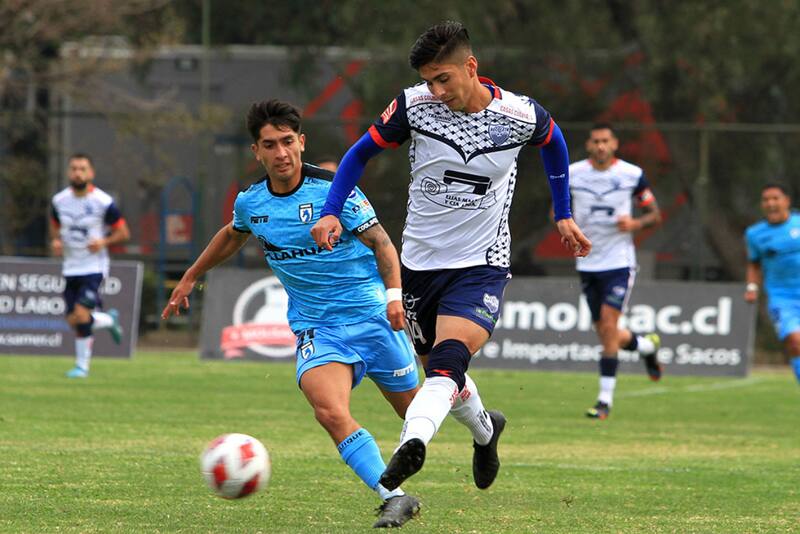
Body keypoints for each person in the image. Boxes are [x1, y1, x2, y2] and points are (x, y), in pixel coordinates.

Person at [311, 21, 591, 492]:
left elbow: (555, 144)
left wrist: (563, 213)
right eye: (429, 81)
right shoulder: (412, 107)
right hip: (420, 262)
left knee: (448, 362)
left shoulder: (520, 114)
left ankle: (411, 442)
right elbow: (358, 155)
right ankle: (486, 430)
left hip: (482, 262)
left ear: (471, 67)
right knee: (442, 371)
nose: (437, 91)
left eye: (444, 79)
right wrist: (331, 211)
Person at [161, 100, 421, 528]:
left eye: (287, 142)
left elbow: (383, 244)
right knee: (329, 411)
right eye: (270, 145)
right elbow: (232, 234)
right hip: (319, 328)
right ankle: (393, 495)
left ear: (301, 142)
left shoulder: (335, 191)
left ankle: (477, 419)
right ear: (256, 152)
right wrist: (190, 276)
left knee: (414, 416)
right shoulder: (252, 202)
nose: (281, 153)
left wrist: (394, 295)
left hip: (375, 319)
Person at [568, 123, 663, 420]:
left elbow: (654, 214)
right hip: (587, 262)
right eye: (595, 141)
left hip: (619, 262)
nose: (600, 146)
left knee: (609, 326)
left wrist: (635, 224)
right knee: (606, 332)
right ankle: (646, 346)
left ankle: (604, 401)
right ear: (588, 145)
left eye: (605, 141)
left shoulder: (631, 175)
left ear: (615, 144)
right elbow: (557, 211)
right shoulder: (572, 174)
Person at [50, 153, 128, 378]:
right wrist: (56, 242)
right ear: (68, 172)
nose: (77, 172)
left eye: (82, 169)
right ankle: (109, 320)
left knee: (82, 315)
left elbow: (123, 232)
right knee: (74, 320)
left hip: (94, 267)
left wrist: (104, 241)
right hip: (70, 267)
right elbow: (56, 226)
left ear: (91, 173)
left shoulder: (103, 202)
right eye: (74, 168)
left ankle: (82, 368)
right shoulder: (59, 201)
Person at [744, 183, 800, 385]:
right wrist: (752, 287)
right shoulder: (755, 234)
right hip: (782, 298)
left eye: (775, 198)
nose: (771, 203)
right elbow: (754, 263)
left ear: (787, 201)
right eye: (766, 200)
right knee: (795, 341)